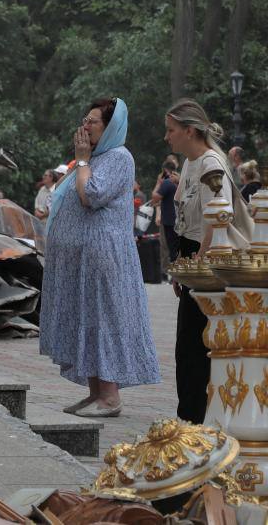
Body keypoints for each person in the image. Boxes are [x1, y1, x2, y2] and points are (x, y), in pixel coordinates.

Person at [41, 97, 160, 417]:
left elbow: (90, 195)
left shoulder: (118, 157)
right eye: (85, 119)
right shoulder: (97, 156)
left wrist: (81, 161)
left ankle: (110, 397)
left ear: (111, 127)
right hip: (85, 259)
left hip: (104, 255)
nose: (85, 126)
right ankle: (95, 393)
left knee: (103, 320)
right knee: (88, 320)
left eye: (92, 121)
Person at [165, 98, 251, 424]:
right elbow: (188, 223)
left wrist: (196, 268)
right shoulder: (190, 162)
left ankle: (197, 422)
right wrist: (181, 266)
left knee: (199, 347)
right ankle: (189, 419)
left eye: (171, 130)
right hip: (193, 257)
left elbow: (217, 222)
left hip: (210, 263)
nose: (167, 137)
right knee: (188, 347)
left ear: (189, 130)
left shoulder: (210, 164)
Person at [151, 159, 180, 271]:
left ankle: (173, 272)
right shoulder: (178, 181)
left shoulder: (167, 183)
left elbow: (155, 197)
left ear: (165, 171)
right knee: (177, 248)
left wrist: (158, 183)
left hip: (169, 221)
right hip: (178, 219)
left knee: (170, 248)